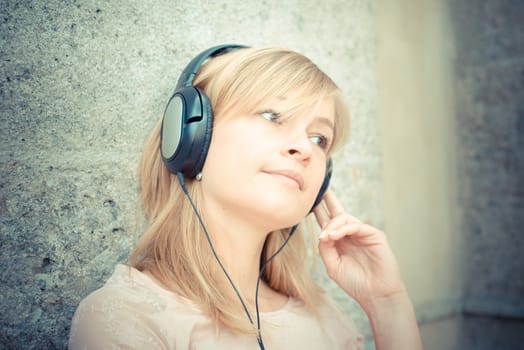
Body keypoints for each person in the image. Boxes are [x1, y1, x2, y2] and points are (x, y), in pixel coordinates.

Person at [68, 45, 423, 350]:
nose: (305, 149)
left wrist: (387, 305)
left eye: (320, 139)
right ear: (192, 137)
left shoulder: (328, 320)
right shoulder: (128, 318)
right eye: (272, 116)